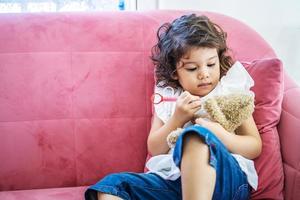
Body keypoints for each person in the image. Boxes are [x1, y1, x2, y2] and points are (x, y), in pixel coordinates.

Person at [85, 13, 262, 200]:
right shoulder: (170, 98)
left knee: (194, 137)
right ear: (175, 72)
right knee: (111, 187)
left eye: (211, 64)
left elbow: (254, 146)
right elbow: (155, 147)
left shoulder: (229, 91)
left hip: (225, 179)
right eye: (192, 68)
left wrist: (221, 135)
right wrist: (177, 119)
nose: (204, 74)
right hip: (174, 182)